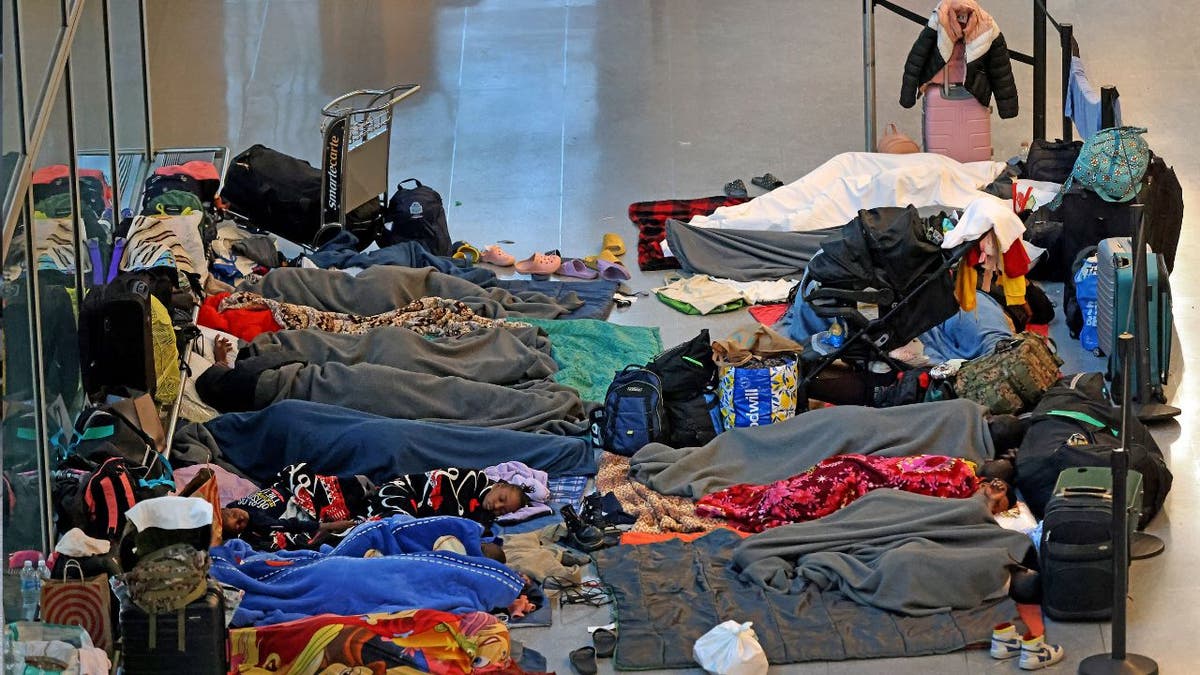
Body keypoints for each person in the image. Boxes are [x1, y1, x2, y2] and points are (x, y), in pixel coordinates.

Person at [696, 454, 1014, 533]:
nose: (995, 505)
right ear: (990, 483)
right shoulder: (958, 483)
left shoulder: (960, 467)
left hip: (849, 471)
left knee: (785, 496)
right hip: (851, 480)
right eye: (999, 501)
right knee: (787, 501)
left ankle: (751, 503)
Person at [221, 463, 374, 551]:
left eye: (234, 515)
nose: (240, 518)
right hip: (302, 502)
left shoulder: (234, 505)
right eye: (238, 525)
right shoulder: (259, 522)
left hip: (288, 485)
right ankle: (369, 493)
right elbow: (290, 525)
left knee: (296, 471)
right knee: (344, 500)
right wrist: (328, 525)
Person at [367, 467, 532, 525]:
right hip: (406, 491)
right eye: (500, 499)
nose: (496, 506)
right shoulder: (474, 479)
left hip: (415, 511)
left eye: (502, 511)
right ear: (499, 485)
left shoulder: (483, 518)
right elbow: (443, 479)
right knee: (398, 521)